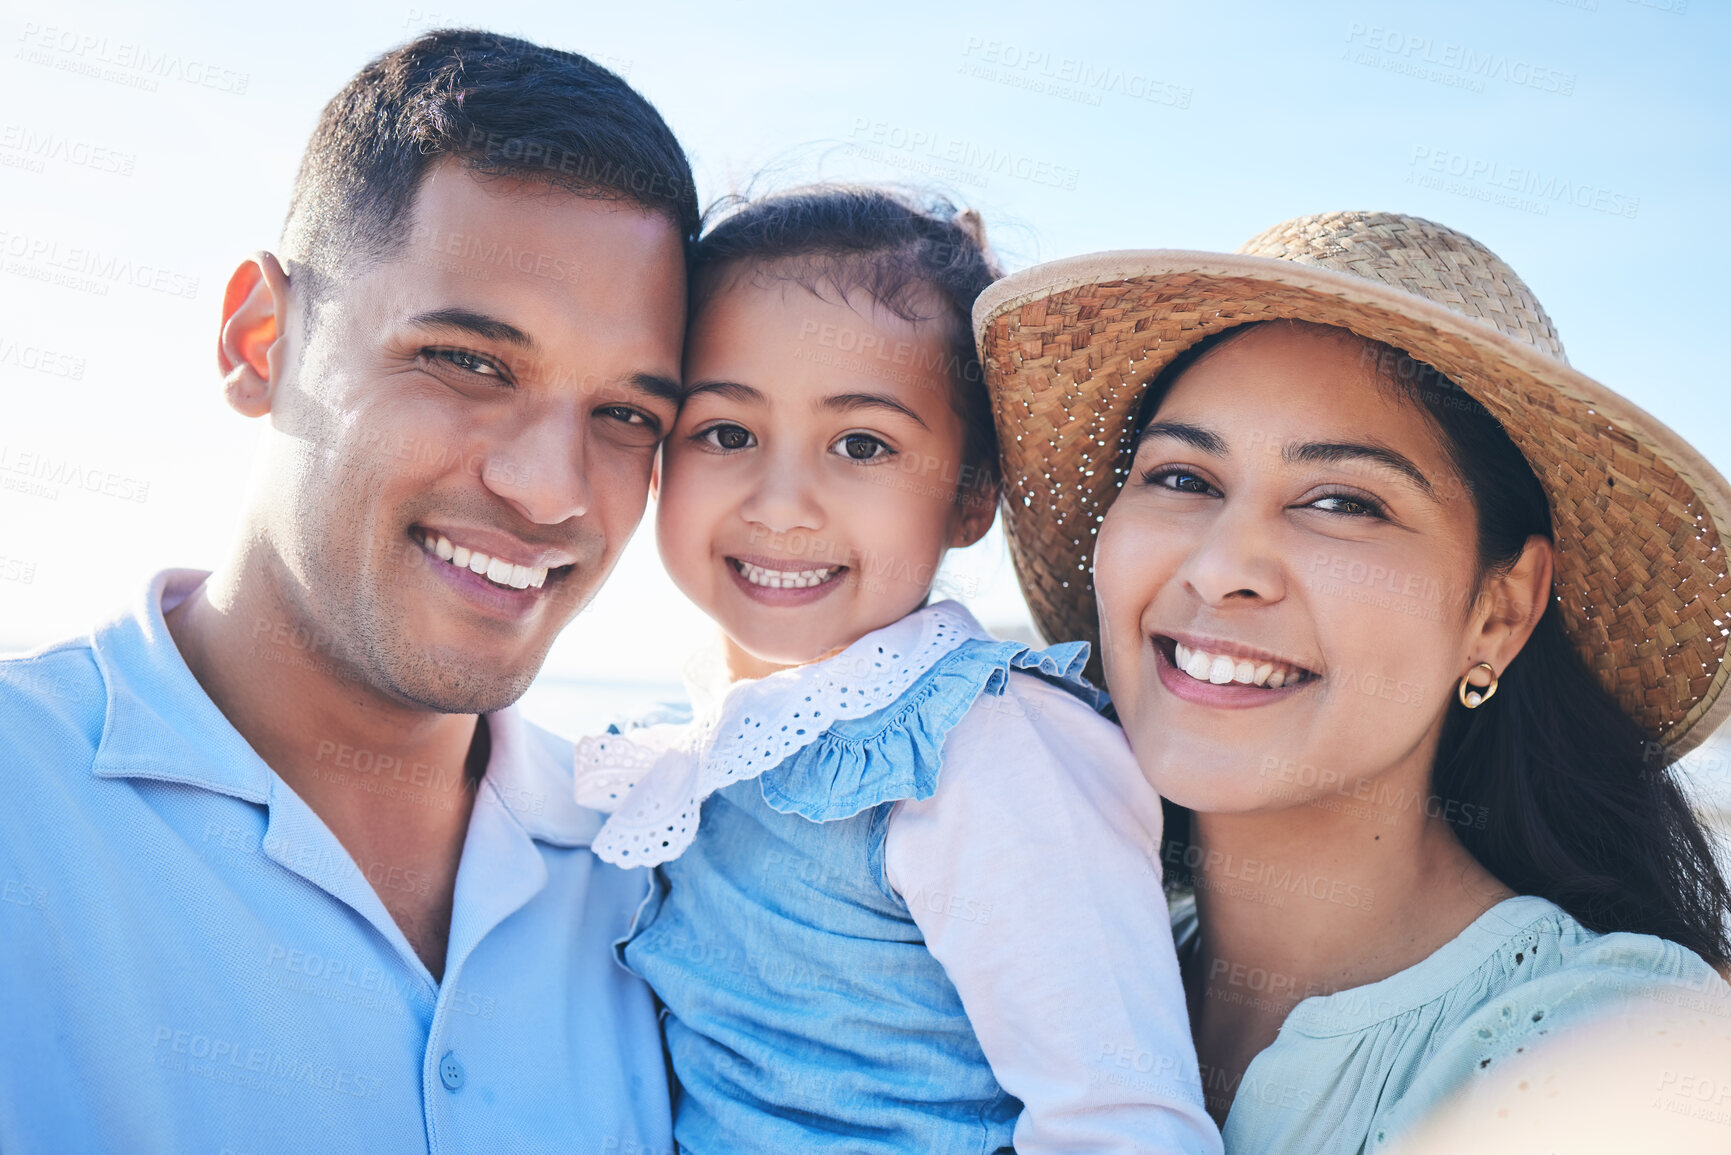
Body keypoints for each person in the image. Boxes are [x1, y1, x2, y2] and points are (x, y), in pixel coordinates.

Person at [0, 30, 694, 1153]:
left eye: (626, 415)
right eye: (469, 361)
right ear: (261, 339)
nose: (549, 490)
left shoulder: (662, 870)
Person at [974, 210, 1731, 1153]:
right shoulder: (1031, 970)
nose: (1221, 567)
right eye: (1182, 478)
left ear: (1498, 612)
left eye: (1342, 501)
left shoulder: (1617, 1057)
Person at [572, 186, 1222, 1154]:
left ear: (972, 500)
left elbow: (1124, 1125)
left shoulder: (983, 746)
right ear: (662, 454)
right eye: (727, 433)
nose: (781, 503)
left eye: (862, 444)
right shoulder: (684, 753)